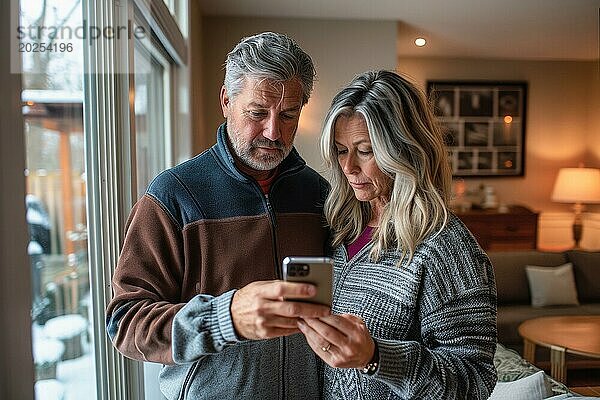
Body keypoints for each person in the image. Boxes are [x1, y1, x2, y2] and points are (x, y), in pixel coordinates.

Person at [106, 32, 332, 399]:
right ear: (227, 101)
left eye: (288, 115)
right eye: (257, 113)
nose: (273, 132)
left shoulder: (320, 195)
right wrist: (222, 320)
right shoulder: (173, 194)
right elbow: (126, 323)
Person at [297, 70, 497, 399]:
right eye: (341, 150)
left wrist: (376, 357)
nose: (348, 168)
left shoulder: (447, 249)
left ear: (404, 150)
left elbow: (473, 380)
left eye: (365, 150)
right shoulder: (336, 227)